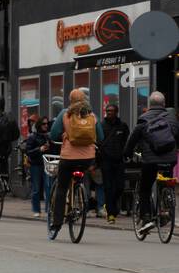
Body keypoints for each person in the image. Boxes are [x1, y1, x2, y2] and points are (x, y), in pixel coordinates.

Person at [48, 89, 103, 240]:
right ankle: (81, 196)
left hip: (68, 158)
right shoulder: (92, 114)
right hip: (87, 158)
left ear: (70, 100)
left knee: (61, 188)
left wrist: (64, 135)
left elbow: (53, 134)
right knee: (81, 175)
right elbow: (101, 136)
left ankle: (56, 225)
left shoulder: (65, 113)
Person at [123, 91, 179, 236]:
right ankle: (166, 205)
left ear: (149, 105)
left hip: (150, 160)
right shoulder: (172, 118)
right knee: (166, 179)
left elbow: (132, 140)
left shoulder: (143, 119)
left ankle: (147, 218)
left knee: (145, 188)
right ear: (164, 104)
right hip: (170, 159)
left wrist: (127, 154)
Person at [98, 102, 131, 225]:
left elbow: (127, 142)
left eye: (111, 111)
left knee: (120, 187)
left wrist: (126, 154)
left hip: (119, 161)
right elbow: (98, 142)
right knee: (108, 187)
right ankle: (111, 213)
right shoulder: (101, 126)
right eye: (107, 111)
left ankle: (111, 204)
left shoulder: (122, 126)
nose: (108, 113)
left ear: (116, 112)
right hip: (106, 161)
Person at [23, 117, 52, 216]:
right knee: (36, 188)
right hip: (35, 165)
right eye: (44, 124)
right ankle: (36, 210)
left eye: (47, 123)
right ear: (39, 125)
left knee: (48, 187)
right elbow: (28, 151)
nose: (46, 125)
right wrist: (39, 149)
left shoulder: (48, 136)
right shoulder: (32, 137)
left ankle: (48, 210)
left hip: (46, 164)